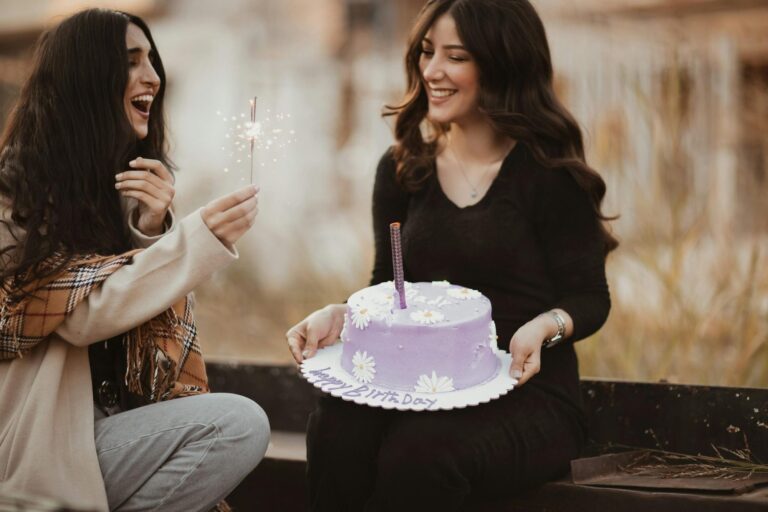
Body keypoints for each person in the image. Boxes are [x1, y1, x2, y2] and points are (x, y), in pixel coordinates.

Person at [286, 0, 618, 510]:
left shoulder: (550, 175)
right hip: (421, 389)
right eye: (426, 52)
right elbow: (387, 284)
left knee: (421, 455)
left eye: (455, 56)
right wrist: (344, 315)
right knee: (336, 426)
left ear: (500, 61)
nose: (432, 71)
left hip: (525, 394)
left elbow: (590, 297)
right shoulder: (403, 171)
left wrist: (543, 325)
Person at [0, 9, 269, 512]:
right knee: (238, 424)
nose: (153, 77)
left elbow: (140, 318)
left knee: (237, 430)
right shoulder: (12, 194)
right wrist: (192, 242)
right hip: (43, 448)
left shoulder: (123, 195)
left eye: (153, 60)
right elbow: (79, 317)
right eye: (131, 62)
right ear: (86, 79)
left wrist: (150, 232)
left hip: (111, 429)